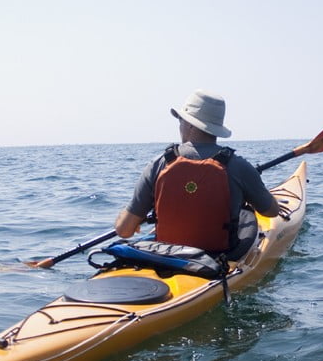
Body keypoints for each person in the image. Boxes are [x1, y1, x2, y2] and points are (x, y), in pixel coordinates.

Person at [114, 91, 281, 254]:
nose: (179, 125)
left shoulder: (159, 163)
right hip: (218, 258)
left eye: (181, 119)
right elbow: (271, 211)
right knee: (247, 216)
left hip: (166, 255)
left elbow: (124, 230)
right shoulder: (239, 166)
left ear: (190, 124)